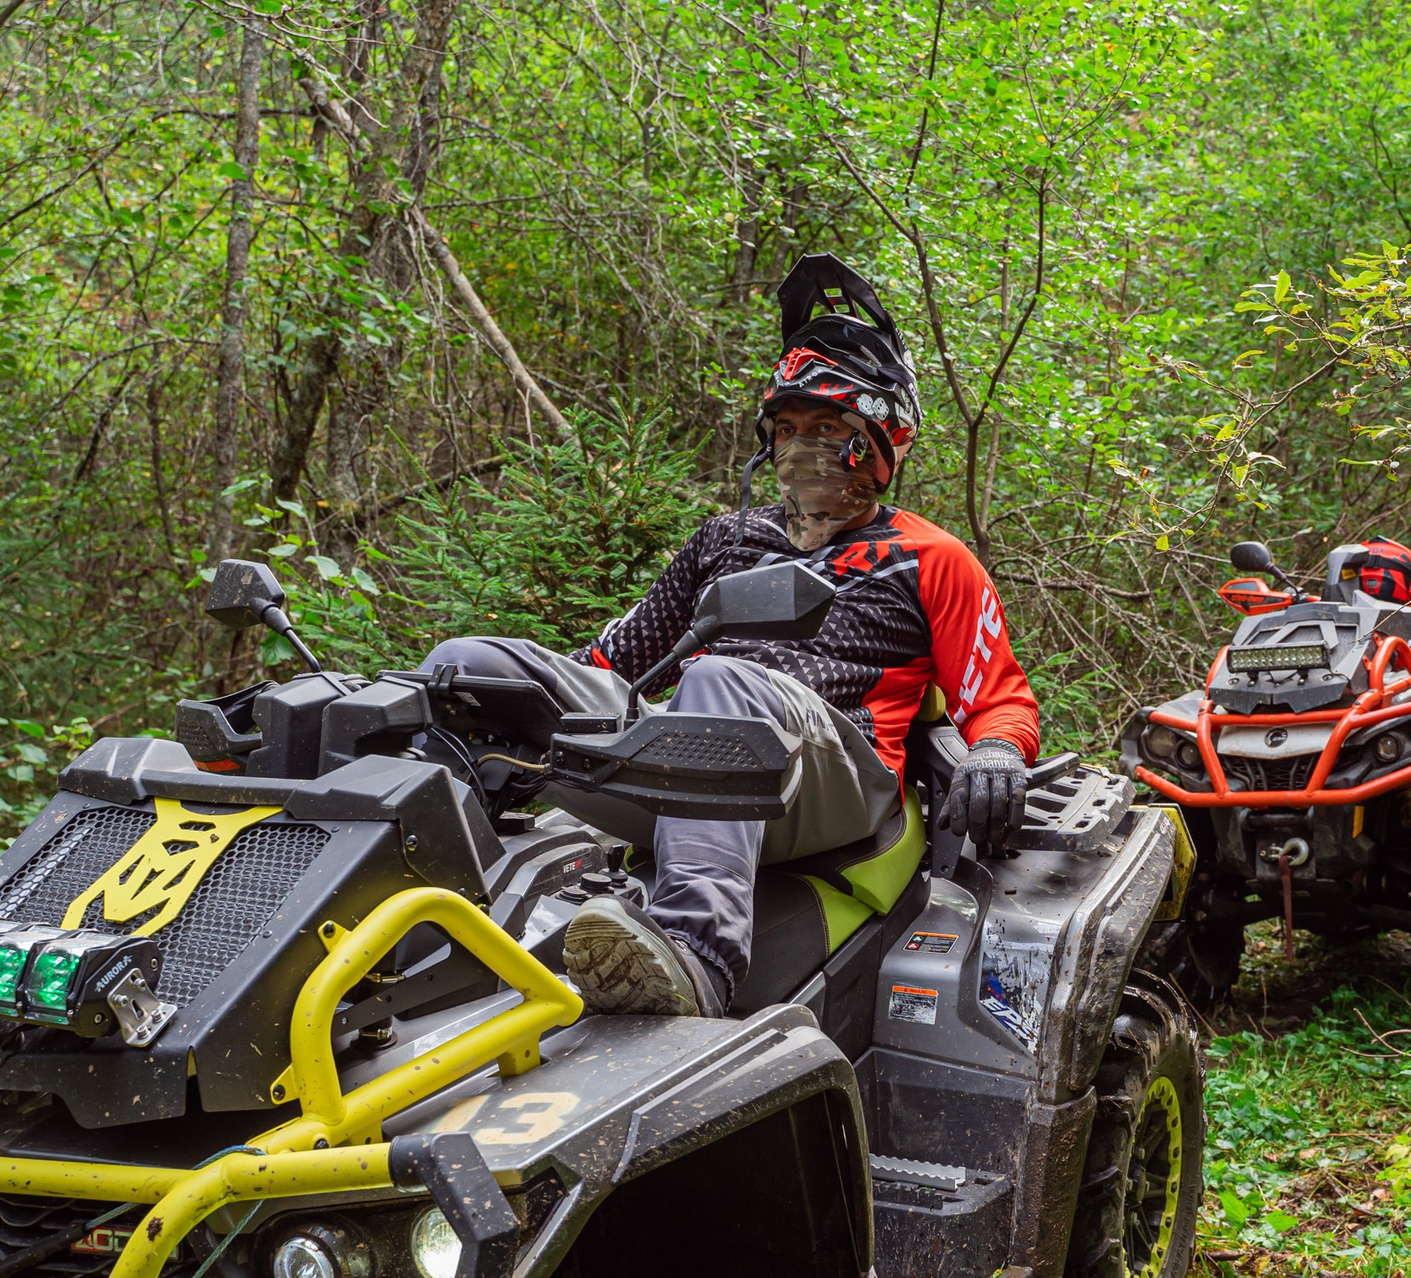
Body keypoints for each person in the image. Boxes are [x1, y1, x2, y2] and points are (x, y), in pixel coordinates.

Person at [419, 255, 1041, 1017]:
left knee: (718, 683)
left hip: (835, 781)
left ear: (881, 439)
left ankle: (698, 956)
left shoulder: (933, 558)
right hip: (690, 765)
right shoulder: (724, 538)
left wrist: (997, 751)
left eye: (827, 427)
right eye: (787, 429)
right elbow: (613, 666)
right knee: (471, 665)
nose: (800, 446)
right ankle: (417, 908)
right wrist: (521, 699)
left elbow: (1000, 696)